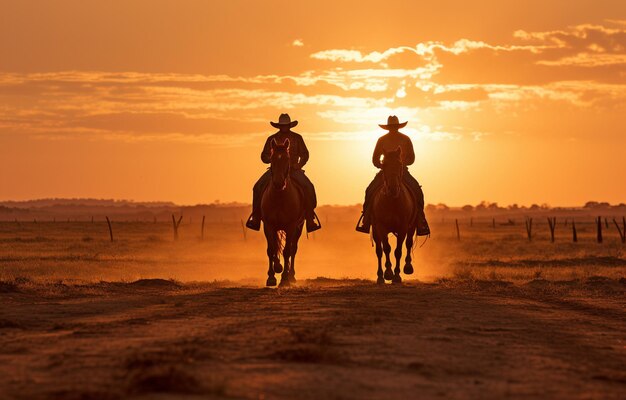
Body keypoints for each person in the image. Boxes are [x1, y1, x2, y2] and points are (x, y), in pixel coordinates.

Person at [355, 115, 430, 236]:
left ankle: (420, 221)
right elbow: (375, 159)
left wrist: (400, 164)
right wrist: (383, 166)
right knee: (369, 190)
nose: (393, 129)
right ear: (388, 128)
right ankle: (366, 219)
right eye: (391, 127)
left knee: (417, 190)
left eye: (395, 127)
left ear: (398, 127)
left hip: (402, 171)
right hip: (385, 172)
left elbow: (412, 158)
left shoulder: (406, 139)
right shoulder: (381, 140)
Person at [246, 113, 321, 232]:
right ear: (279, 126)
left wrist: (299, 165)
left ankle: (310, 217)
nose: (284, 127)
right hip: (275, 171)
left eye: (286, 125)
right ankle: (256, 217)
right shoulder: (271, 139)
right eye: (282, 125)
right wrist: (272, 159)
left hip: (294, 170)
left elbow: (305, 154)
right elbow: (263, 156)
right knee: (257, 187)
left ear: (289, 126)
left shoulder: (297, 138)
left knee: (308, 186)